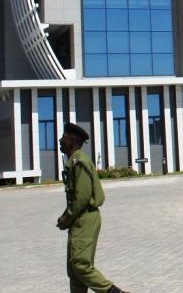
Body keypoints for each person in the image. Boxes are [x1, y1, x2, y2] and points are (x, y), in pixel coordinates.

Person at [56, 123, 125, 293]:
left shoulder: (79, 161)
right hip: (79, 218)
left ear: (73, 141)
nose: (60, 141)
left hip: (85, 218)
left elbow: (82, 197)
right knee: (74, 270)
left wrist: (66, 218)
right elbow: (76, 198)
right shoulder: (74, 161)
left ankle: (113, 292)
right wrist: (66, 217)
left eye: (64, 138)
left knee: (80, 264)